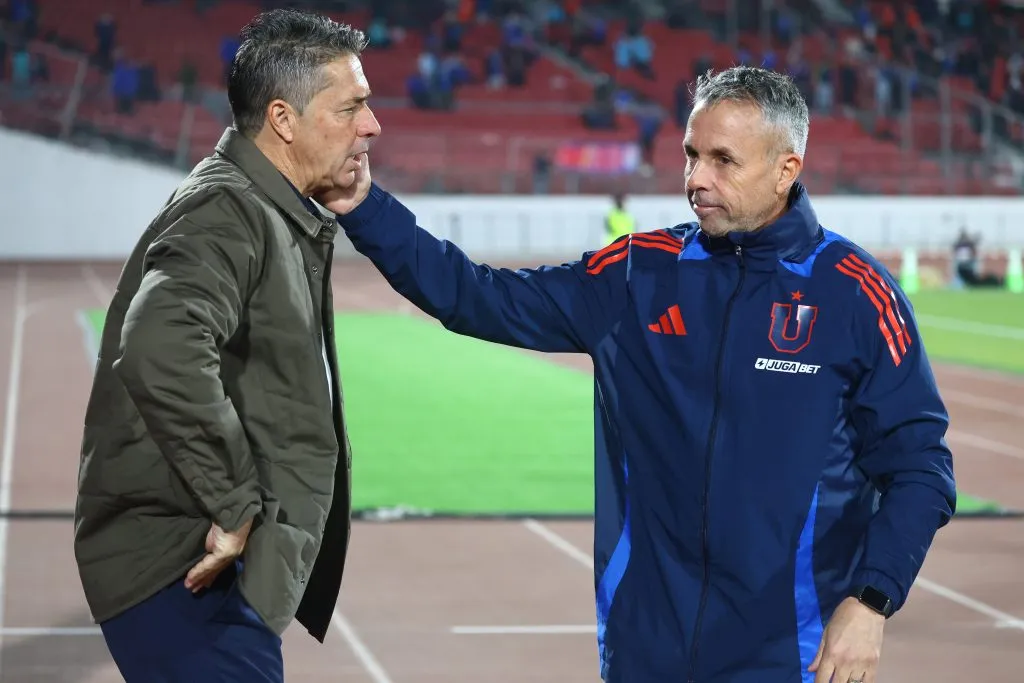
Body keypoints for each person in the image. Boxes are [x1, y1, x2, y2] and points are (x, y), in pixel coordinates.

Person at [322, 66, 956, 683]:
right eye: (690, 155)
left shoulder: (856, 295)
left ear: (786, 168)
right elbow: (474, 295)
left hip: (789, 652)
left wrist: (872, 601)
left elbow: (920, 468)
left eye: (723, 161)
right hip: (644, 645)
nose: (695, 179)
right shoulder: (637, 275)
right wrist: (363, 207)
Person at [73, 9, 380, 682]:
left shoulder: (265, 206)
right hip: (184, 572)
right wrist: (237, 504)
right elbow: (159, 342)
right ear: (283, 118)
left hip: (203, 578)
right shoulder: (228, 208)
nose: (371, 124)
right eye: (352, 106)